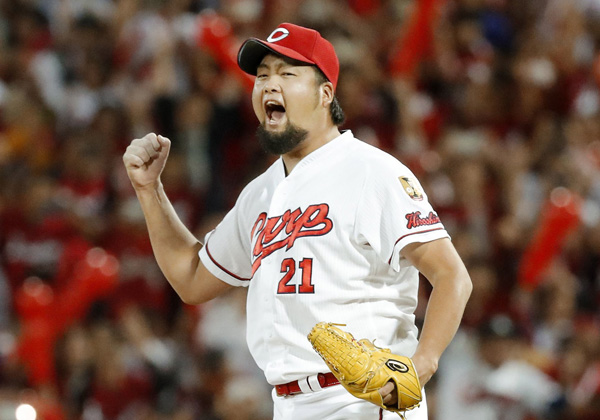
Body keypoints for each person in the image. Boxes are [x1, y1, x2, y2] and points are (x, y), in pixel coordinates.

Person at [122, 22, 472, 420]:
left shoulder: (371, 171)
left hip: (363, 400)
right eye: (262, 76)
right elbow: (191, 279)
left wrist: (421, 364)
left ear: (325, 94)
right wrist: (150, 191)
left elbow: (452, 276)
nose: (269, 85)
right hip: (288, 402)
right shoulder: (259, 193)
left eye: (287, 74)